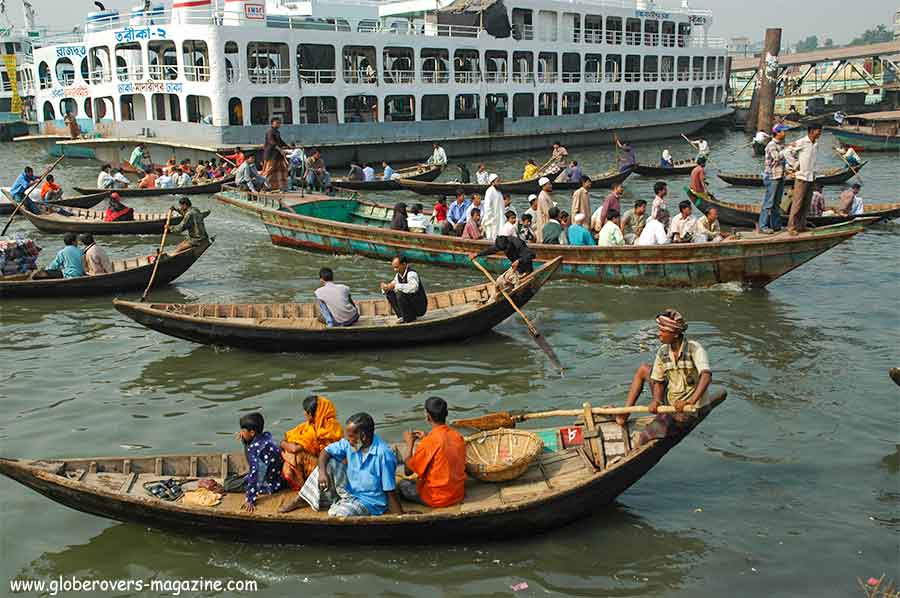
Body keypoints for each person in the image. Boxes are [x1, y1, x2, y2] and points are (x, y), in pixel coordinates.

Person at [615, 310, 712, 447]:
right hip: (672, 398)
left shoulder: (695, 349)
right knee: (644, 369)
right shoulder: (663, 351)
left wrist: (689, 402)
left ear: (675, 334)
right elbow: (658, 381)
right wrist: (657, 400)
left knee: (645, 436)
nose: (658, 334)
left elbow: (706, 376)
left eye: (662, 331)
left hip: (689, 408)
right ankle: (624, 414)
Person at [295, 412, 401, 517]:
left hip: (369, 502)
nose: (348, 440)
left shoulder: (384, 455)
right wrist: (322, 473)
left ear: (363, 436)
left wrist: (399, 515)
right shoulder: (350, 443)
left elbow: (390, 491)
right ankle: (302, 499)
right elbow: (326, 452)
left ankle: (339, 504)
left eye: (350, 436)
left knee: (338, 514)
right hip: (350, 491)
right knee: (328, 464)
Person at [399, 397, 466, 508]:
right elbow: (442, 444)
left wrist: (409, 444)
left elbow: (408, 471)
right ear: (446, 414)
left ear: (428, 417)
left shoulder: (429, 442)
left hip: (437, 498)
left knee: (403, 484)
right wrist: (426, 437)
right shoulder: (457, 436)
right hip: (458, 494)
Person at [279, 396, 343, 493]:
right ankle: (298, 480)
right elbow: (288, 438)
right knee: (291, 454)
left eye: (306, 411)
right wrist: (284, 443)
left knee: (296, 455)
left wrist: (283, 444)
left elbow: (295, 449)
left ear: (313, 413)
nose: (304, 413)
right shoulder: (327, 425)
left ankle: (301, 484)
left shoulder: (322, 430)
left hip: (325, 468)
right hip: (320, 464)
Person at [237, 412, 284, 512]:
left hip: (268, 484)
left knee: (229, 483)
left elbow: (256, 475)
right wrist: (244, 439)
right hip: (276, 477)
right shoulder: (266, 436)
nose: (241, 432)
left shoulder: (255, 449)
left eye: (243, 430)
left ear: (252, 433)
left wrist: (250, 499)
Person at [784, 124, 823, 234]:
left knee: (806, 204)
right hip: (801, 177)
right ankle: (791, 227)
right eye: (818, 131)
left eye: (820, 131)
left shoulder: (815, 144)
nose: (819, 133)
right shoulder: (802, 142)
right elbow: (787, 152)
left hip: (811, 177)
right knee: (797, 203)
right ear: (811, 131)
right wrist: (796, 164)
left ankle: (801, 226)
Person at [472, 233, 535, 298]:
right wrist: (477, 254)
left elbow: (531, 254)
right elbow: (491, 250)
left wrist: (519, 261)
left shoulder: (517, 243)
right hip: (515, 269)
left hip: (525, 269)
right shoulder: (501, 243)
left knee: (517, 288)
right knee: (499, 282)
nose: (505, 251)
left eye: (505, 249)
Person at [759, 124, 789, 233]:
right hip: (772, 177)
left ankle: (776, 225)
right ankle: (763, 226)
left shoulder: (782, 145)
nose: (785, 133)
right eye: (783, 131)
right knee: (769, 203)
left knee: (777, 203)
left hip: (780, 175)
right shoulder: (771, 145)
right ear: (778, 133)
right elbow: (777, 157)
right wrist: (788, 149)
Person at [380, 255, 427, 323]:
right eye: (394, 268)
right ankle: (402, 316)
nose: (395, 270)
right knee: (389, 293)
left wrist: (395, 286)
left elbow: (413, 288)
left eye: (396, 267)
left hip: (419, 307)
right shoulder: (398, 275)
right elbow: (392, 285)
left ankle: (409, 318)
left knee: (400, 294)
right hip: (410, 305)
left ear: (404, 264)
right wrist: (385, 288)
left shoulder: (411, 274)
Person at [261, 117, 289, 191]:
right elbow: (272, 142)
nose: (279, 124)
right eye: (277, 123)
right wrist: (280, 149)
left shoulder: (277, 132)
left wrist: (288, 146)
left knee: (281, 170)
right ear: (272, 123)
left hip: (277, 155)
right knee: (268, 171)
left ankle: (279, 186)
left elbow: (280, 141)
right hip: (271, 155)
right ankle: (263, 186)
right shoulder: (270, 132)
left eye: (279, 123)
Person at [482, 174, 504, 240]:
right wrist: (490, 218)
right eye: (497, 181)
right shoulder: (489, 191)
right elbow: (487, 206)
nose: (499, 183)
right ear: (492, 182)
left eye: (499, 181)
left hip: (500, 218)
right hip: (492, 219)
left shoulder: (499, 192)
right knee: (492, 236)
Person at [535, 177, 554, 243]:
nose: (551, 186)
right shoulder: (542, 196)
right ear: (544, 186)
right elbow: (548, 212)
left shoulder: (546, 195)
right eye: (549, 184)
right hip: (545, 223)